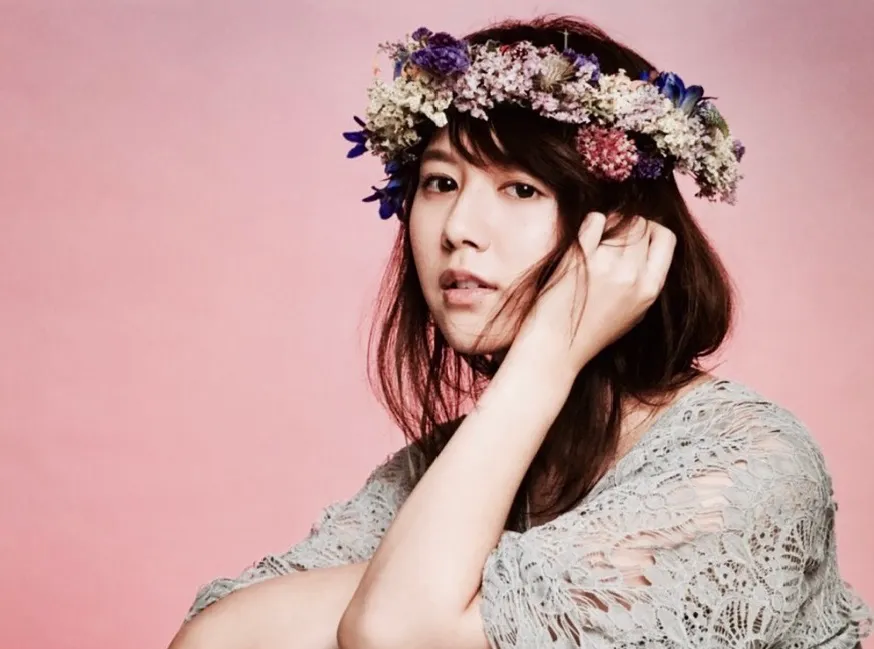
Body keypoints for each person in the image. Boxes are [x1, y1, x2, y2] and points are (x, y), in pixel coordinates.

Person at [168, 15, 872, 649]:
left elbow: (395, 633)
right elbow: (211, 641)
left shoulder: (752, 465)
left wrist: (550, 353)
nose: (458, 229)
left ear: (621, 234)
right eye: (440, 183)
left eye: (521, 189)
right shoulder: (444, 468)